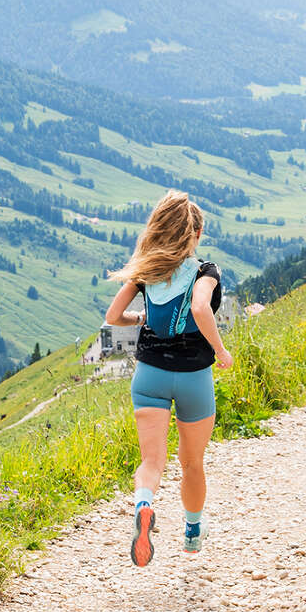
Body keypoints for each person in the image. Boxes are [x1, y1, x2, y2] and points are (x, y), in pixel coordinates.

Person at [104, 190, 233, 566]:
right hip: (193, 377)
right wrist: (221, 351)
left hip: (150, 376)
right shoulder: (206, 271)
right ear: (195, 233)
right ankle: (192, 531)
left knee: (152, 461)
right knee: (192, 462)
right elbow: (198, 307)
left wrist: (139, 319)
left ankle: (144, 506)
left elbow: (113, 316)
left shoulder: (147, 271)